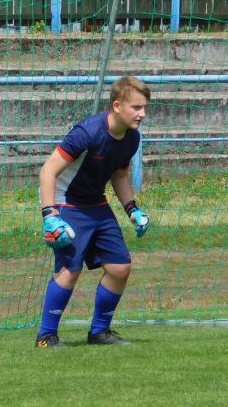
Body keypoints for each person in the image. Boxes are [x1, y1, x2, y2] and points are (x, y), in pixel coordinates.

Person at [35, 76, 152, 349]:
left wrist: (133, 209)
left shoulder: (132, 138)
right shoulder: (86, 133)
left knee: (120, 267)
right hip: (66, 203)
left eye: (145, 107)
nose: (142, 114)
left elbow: (119, 174)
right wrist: (49, 216)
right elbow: (48, 171)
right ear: (117, 106)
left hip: (96, 203)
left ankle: (99, 332)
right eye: (136, 107)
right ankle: (45, 338)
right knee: (70, 270)